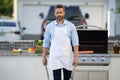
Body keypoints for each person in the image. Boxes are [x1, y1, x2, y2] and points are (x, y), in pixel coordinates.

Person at [42, 4, 79, 80]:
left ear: (64, 13)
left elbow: (75, 43)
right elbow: (46, 43)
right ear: (55, 13)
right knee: (57, 78)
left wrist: (76, 57)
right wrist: (44, 57)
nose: (59, 14)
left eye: (60, 12)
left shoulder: (71, 26)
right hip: (55, 56)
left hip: (67, 56)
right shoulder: (49, 26)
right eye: (57, 12)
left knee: (67, 78)